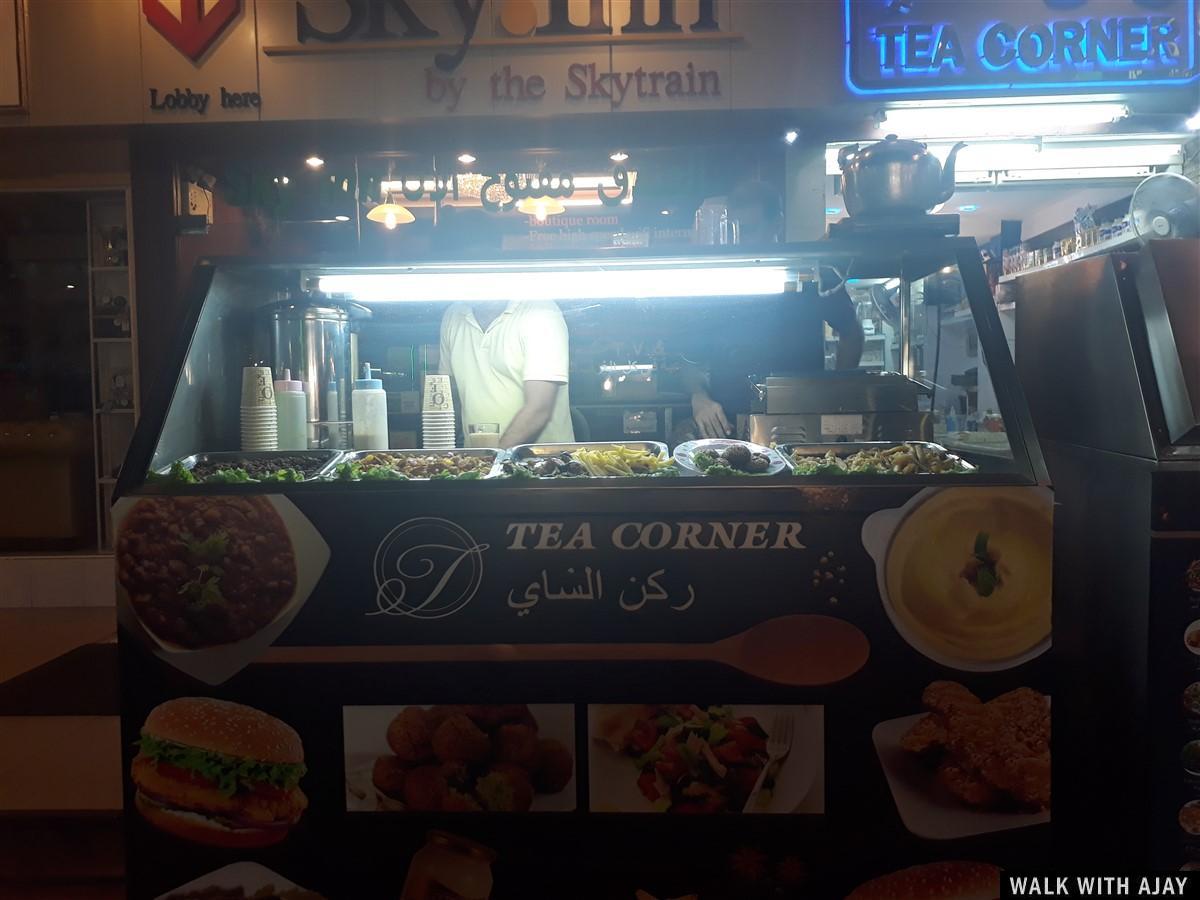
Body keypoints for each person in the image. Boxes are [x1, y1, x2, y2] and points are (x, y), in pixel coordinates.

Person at [679, 180, 865, 440]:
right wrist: (699, 397)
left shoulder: (810, 273)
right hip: (731, 426)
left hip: (800, 424)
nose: (740, 240)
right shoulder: (716, 283)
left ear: (776, 223)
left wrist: (835, 395)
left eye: (749, 229)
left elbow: (852, 333)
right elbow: (689, 363)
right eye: (734, 230)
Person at [439, 300, 574, 448]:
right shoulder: (454, 315)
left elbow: (539, 409)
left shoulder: (541, 312)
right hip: (478, 462)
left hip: (543, 463)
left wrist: (494, 461)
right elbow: (447, 398)